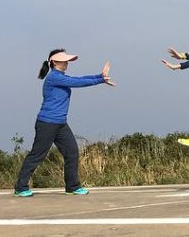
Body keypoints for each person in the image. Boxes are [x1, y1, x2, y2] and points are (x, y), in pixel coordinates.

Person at [13, 49, 114, 196]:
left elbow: (79, 78)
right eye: (64, 60)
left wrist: (100, 76)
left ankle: (72, 186)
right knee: (37, 155)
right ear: (54, 62)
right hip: (47, 123)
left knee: (72, 152)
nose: (67, 63)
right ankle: (20, 187)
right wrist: (100, 79)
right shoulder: (54, 77)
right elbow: (77, 82)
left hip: (60, 124)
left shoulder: (60, 77)